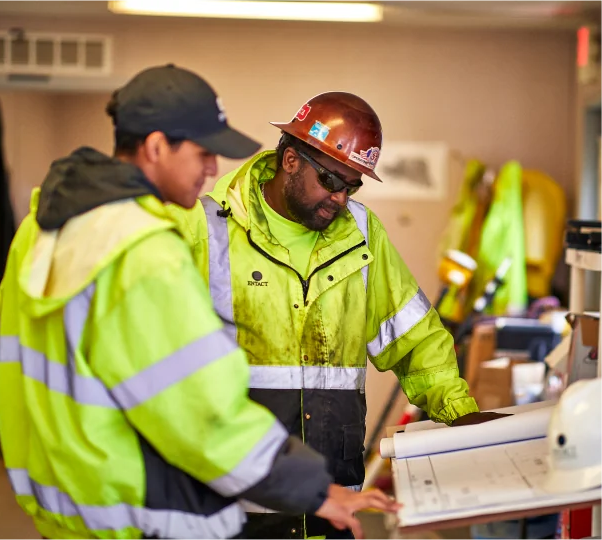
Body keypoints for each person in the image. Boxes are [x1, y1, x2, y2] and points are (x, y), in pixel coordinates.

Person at [0, 67, 397, 540]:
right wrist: (318, 491)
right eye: (204, 153)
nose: (212, 170)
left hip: (66, 506)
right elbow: (198, 409)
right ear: (157, 146)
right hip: (136, 513)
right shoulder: (142, 248)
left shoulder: (43, 229)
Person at [177, 91, 507, 540]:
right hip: (236, 502)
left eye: (353, 186)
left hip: (334, 497)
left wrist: (459, 412)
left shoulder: (361, 233)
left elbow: (416, 340)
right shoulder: (208, 230)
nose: (340, 198)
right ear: (290, 160)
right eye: (331, 180)